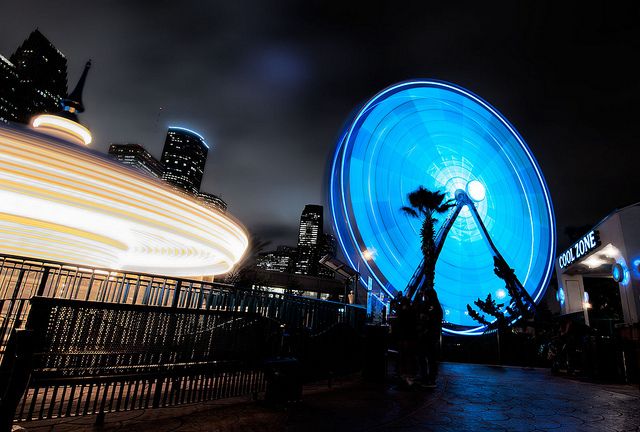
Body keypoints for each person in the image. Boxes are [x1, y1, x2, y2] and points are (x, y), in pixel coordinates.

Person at [417, 287, 443, 387]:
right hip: (433, 336)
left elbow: (427, 319)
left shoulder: (429, 306)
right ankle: (430, 378)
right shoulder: (438, 307)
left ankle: (426, 378)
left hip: (427, 336)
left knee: (424, 357)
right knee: (431, 358)